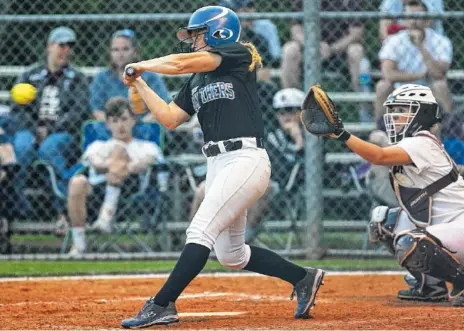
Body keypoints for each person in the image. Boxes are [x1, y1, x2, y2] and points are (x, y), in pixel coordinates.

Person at [120, 5, 325, 328]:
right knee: (231, 255)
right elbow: (171, 119)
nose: (193, 41)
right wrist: (140, 83)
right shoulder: (198, 80)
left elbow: (180, 62)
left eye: (198, 34)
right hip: (217, 162)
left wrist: (141, 65)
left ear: (219, 31)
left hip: (245, 159)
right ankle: (303, 278)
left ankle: (161, 304)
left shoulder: (237, 54)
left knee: (199, 230)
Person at [316, 84, 464, 306]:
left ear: (422, 114)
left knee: (410, 243)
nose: (395, 116)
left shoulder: (421, 142)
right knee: (383, 222)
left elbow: (378, 156)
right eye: (393, 110)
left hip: (459, 226)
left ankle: (461, 281)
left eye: (403, 110)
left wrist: (342, 133)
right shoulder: (411, 142)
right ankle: (430, 286)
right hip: (446, 228)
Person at [67, 97, 166, 255]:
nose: (120, 125)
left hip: (131, 192)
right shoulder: (97, 146)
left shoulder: (148, 146)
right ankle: (79, 244)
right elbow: (96, 163)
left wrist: (123, 163)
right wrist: (116, 165)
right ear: (107, 124)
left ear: (133, 120)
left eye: (124, 119)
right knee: (77, 182)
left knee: (119, 151)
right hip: (97, 193)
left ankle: (106, 217)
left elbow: (146, 162)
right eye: (114, 120)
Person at [9, 26, 89, 217]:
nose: (66, 50)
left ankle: (61, 208)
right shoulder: (30, 76)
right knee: (21, 145)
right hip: (30, 131)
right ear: (49, 47)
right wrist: (35, 129)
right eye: (61, 45)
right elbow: (16, 110)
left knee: (49, 148)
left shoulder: (77, 78)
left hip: (62, 133)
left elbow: (79, 112)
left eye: (70, 46)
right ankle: (17, 205)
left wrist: (50, 129)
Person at [375, 0, 453, 120]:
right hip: (400, 88)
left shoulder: (441, 41)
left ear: (427, 21)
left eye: (418, 17)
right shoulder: (394, 40)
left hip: (429, 87)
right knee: (382, 86)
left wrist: (420, 46)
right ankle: (381, 129)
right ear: (404, 20)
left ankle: (449, 131)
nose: (413, 21)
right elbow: (388, 74)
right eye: (410, 17)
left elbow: (438, 74)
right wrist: (420, 75)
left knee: (441, 86)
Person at [281, 0, 367, 93]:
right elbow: (296, 32)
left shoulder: (351, 2)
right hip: (309, 50)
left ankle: (362, 99)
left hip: (340, 51)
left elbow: (356, 34)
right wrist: (313, 46)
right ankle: (291, 100)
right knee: (290, 49)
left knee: (356, 51)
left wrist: (332, 48)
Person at [89, 29, 170, 122]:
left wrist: (136, 127)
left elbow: (161, 108)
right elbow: (97, 111)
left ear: (135, 51)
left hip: (144, 129)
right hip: (110, 130)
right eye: (115, 50)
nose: (120, 54)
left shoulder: (150, 77)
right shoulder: (102, 78)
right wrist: (117, 127)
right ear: (110, 53)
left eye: (125, 49)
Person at [379, 0, 444, 43]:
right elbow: (384, 27)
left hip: (430, 42)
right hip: (401, 42)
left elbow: (428, 22)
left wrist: (409, 25)